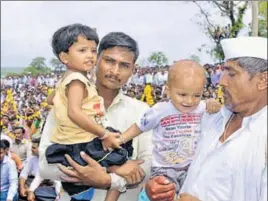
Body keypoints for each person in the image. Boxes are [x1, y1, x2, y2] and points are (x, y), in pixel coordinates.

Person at [145, 36, 267, 201]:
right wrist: (159, 186)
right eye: (223, 72)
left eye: (231, 74)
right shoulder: (210, 117)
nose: (221, 81)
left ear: (262, 80)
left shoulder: (263, 137)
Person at [39, 32, 152, 201]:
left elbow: (147, 166)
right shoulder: (65, 102)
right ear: (96, 60)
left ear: (133, 70)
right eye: (109, 61)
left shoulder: (142, 111)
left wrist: (108, 180)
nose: (115, 71)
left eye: (124, 65)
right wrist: (111, 168)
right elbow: (45, 165)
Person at [108, 60, 221, 199]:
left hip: (192, 167)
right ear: (168, 91)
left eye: (196, 95)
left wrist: (213, 104)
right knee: (165, 194)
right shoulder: (160, 110)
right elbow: (139, 126)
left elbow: (220, 114)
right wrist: (121, 138)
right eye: (183, 95)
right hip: (164, 169)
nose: (190, 101)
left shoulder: (203, 108)